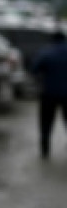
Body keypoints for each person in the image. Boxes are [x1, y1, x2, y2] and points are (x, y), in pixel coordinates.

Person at [31, 30, 67, 159]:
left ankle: (45, 150)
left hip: (49, 93)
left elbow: (34, 69)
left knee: (46, 122)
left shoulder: (46, 52)